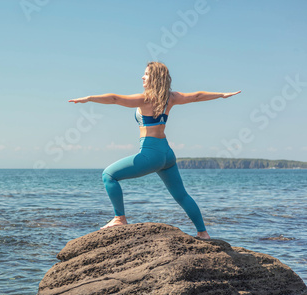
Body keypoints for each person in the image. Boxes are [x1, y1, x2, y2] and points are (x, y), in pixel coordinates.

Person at [69, 61, 240, 239]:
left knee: (108, 175)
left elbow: (115, 99)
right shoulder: (171, 97)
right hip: (167, 153)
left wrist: (89, 98)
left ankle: (120, 218)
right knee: (181, 195)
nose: (142, 77)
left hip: (151, 153)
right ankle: (203, 233)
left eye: (146, 74)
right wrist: (221, 94)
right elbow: (196, 96)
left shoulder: (145, 99)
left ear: (155, 78)